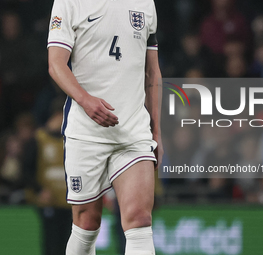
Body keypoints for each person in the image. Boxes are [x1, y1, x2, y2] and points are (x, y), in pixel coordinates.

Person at [47, 0, 163, 254]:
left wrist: (156, 131)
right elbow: (56, 64)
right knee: (87, 223)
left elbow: (152, 72)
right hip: (86, 133)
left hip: (133, 131)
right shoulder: (68, 3)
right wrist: (86, 101)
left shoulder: (145, 4)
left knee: (139, 220)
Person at [23, 102, 71, 255]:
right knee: (51, 243)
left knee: (68, 244)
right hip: (47, 201)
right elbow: (26, 170)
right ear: (58, 115)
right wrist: (39, 190)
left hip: (69, 202)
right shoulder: (38, 139)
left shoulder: (70, 139)